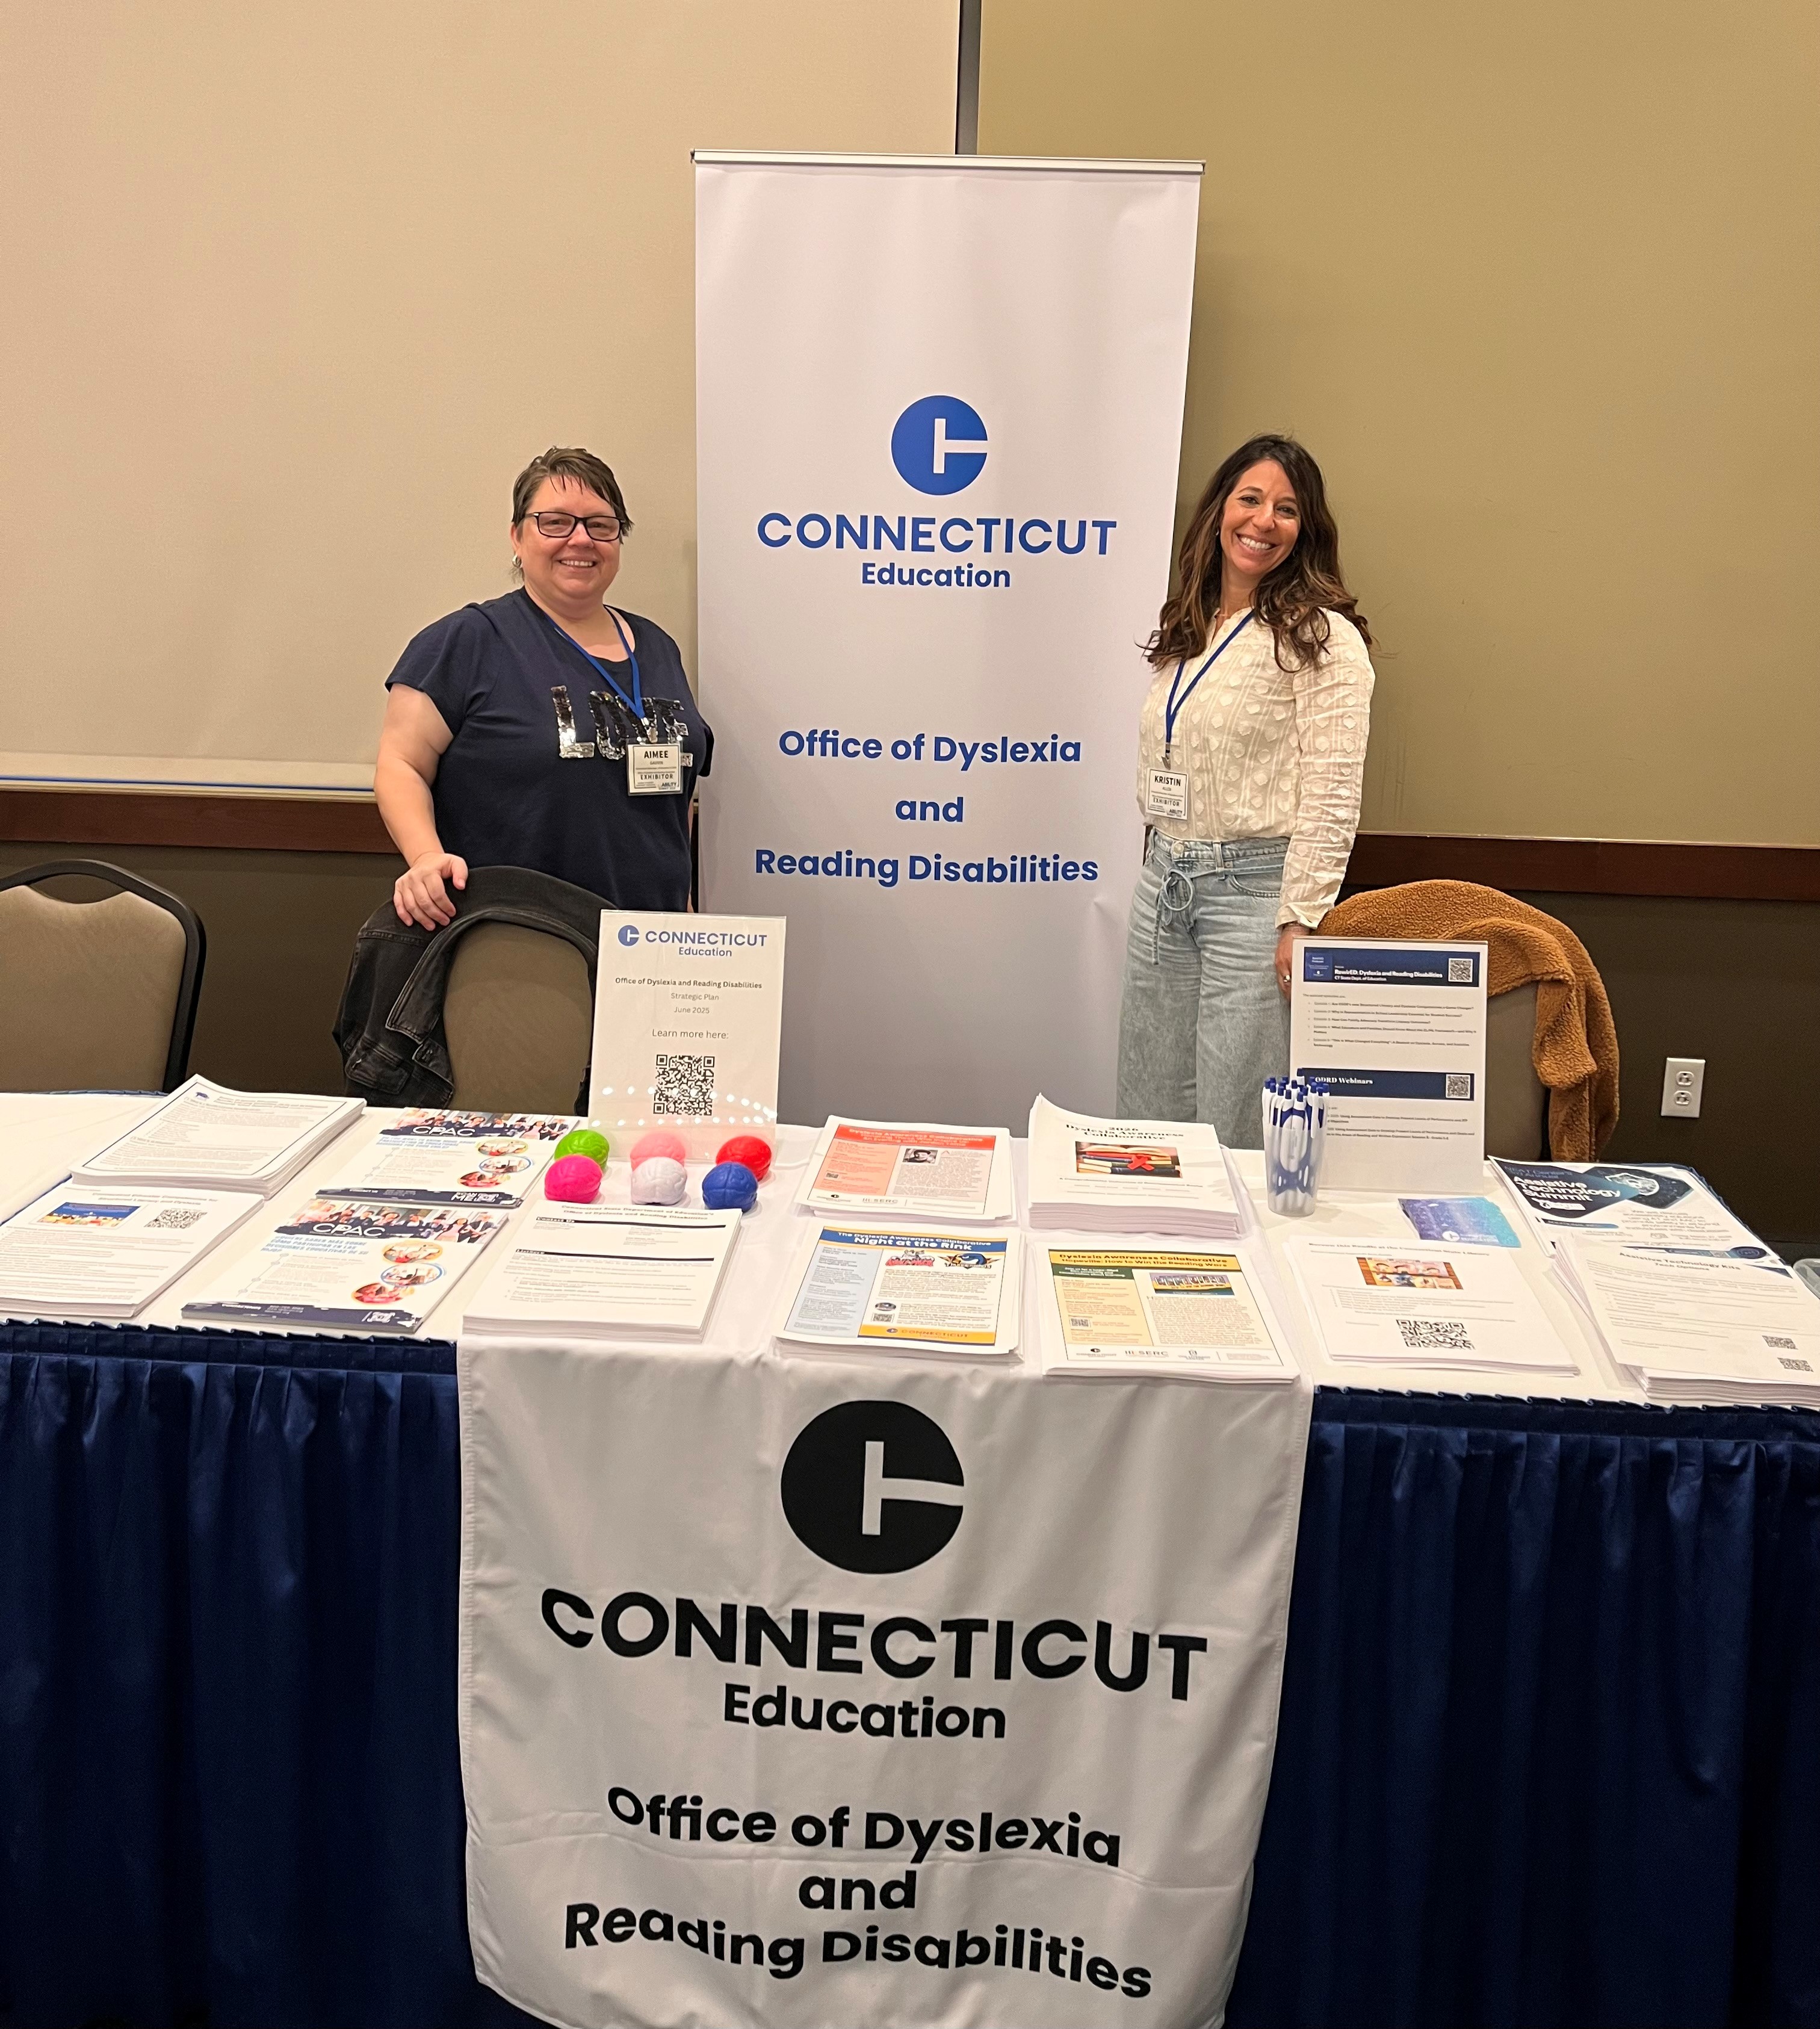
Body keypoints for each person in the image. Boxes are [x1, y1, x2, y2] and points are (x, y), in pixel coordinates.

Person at [1116, 434, 1374, 1146]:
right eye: (1250, 499)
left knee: (1234, 1118)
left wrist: (1300, 918)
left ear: (1306, 530)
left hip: (1253, 898)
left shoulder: (1321, 636)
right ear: (1220, 510)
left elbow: (1333, 788)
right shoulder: (1193, 625)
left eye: (1287, 509)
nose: (1264, 521)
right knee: (1148, 1104)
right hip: (1164, 882)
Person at [375, 447, 711, 928]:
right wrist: (425, 856)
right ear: (517, 535)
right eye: (555, 522)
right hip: (521, 941)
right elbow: (400, 762)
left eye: (601, 525)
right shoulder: (468, 641)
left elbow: (676, 795)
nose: (581, 539)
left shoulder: (658, 647)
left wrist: (683, 906)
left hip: (650, 942)